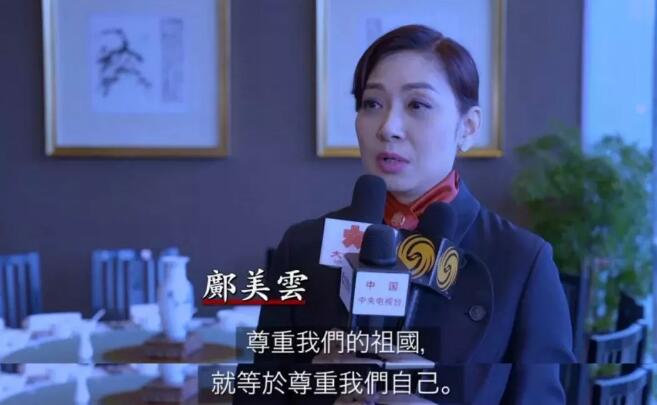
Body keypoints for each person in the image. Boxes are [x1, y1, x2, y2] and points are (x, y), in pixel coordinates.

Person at [247, 24, 575, 404]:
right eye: (372, 104)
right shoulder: (302, 248)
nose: (388, 128)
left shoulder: (521, 262)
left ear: (467, 127)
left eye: (417, 105)